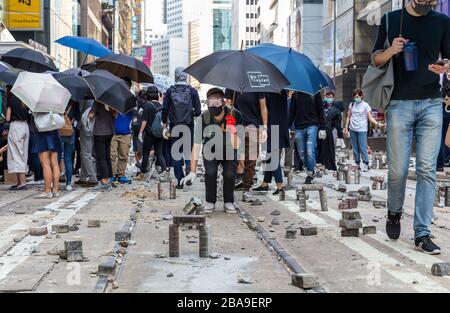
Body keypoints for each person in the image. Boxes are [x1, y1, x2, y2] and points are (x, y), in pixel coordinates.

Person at [372, 0, 450, 254]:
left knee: (427, 169)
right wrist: (391, 50)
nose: (428, 3)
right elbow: (375, 60)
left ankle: (422, 233)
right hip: (399, 104)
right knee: (398, 170)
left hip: (431, 102)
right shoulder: (391, 20)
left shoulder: (442, 22)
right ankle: (394, 213)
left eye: (432, 0)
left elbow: (448, 58)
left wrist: (445, 66)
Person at [181, 88, 244, 214]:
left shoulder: (235, 115)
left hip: (230, 150)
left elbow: (238, 145)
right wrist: (192, 171)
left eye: (217, 103)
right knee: (210, 173)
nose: (213, 106)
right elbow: (197, 145)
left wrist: (232, 130)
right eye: (210, 103)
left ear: (224, 102)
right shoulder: (204, 118)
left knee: (229, 174)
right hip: (210, 150)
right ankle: (210, 201)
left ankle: (228, 201)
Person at [225, 90, 268, 202]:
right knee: (233, 158)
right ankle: (229, 189)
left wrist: (264, 127)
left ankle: (247, 190)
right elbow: (227, 105)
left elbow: (263, 107)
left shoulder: (257, 85)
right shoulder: (232, 86)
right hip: (236, 127)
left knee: (251, 160)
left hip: (253, 127)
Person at [162, 67, 202, 189]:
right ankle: (189, 168)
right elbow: (198, 111)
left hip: (174, 126)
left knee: (176, 153)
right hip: (188, 125)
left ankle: (179, 180)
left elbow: (164, 110)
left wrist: (165, 125)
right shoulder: (193, 91)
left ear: (176, 76)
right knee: (188, 150)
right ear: (186, 76)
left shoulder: (170, 91)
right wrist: (190, 114)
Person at [253, 91, 289, 195]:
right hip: (280, 126)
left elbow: (265, 109)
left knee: (272, 156)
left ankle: (280, 185)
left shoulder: (267, 91)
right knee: (270, 155)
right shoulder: (282, 91)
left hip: (271, 126)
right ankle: (265, 184)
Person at [289, 91, 324, 184]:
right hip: (299, 127)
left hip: (312, 125)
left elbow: (320, 109)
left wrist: (322, 128)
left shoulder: (315, 93)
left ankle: (310, 174)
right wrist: (288, 127)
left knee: (309, 150)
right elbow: (292, 112)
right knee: (301, 152)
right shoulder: (295, 95)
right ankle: (310, 167)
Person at [343, 89, 381, 172]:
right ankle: (357, 163)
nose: (357, 98)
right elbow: (348, 116)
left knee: (363, 147)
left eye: (358, 96)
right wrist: (346, 127)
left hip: (362, 129)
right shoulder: (352, 104)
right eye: (355, 96)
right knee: (355, 147)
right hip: (352, 128)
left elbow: (370, 117)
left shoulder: (365, 105)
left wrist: (377, 124)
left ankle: (366, 164)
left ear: (361, 96)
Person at [137, 87, 167, 180]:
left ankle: (142, 174)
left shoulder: (147, 105)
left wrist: (140, 133)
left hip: (149, 133)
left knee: (145, 154)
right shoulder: (161, 105)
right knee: (159, 153)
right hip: (159, 133)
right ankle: (165, 171)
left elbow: (144, 121)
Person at [5, 86, 30, 190]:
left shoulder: (12, 100)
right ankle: (20, 182)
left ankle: (22, 182)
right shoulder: (26, 99)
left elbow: (7, 117)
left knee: (16, 154)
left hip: (16, 127)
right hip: (25, 126)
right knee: (23, 153)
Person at [89, 101, 116, 191]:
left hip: (99, 132)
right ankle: (110, 178)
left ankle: (104, 181)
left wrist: (91, 112)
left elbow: (91, 115)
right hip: (110, 131)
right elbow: (114, 115)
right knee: (107, 157)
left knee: (101, 158)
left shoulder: (98, 101)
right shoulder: (113, 103)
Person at [32, 127, 63, 199]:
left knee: (45, 164)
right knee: (55, 163)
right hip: (54, 131)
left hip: (42, 131)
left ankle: (47, 191)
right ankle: (55, 190)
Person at [76, 100, 98, 187]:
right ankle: (83, 177)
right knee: (84, 153)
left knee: (86, 154)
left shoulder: (87, 100)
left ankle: (93, 178)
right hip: (93, 129)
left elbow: (84, 117)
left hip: (86, 130)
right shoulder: (98, 98)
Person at [59, 101, 80, 191]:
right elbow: (79, 117)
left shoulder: (57, 102)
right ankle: (68, 184)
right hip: (69, 131)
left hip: (58, 132)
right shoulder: (74, 103)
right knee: (68, 158)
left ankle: (54, 183)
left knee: (57, 157)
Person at [111, 110, 133, 184]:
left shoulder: (130, 108)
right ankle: (112, 174)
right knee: (112, 155)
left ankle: (121, 175)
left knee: (123, 155)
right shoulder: (112, 106)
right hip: (113, 133)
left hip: (126, 134)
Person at [437, 73, 450, 171]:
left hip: (442, 106)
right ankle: (444, 160)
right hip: (444, 107)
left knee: (440, 136)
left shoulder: (441, 74)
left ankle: (441, 162)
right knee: (443, 135)